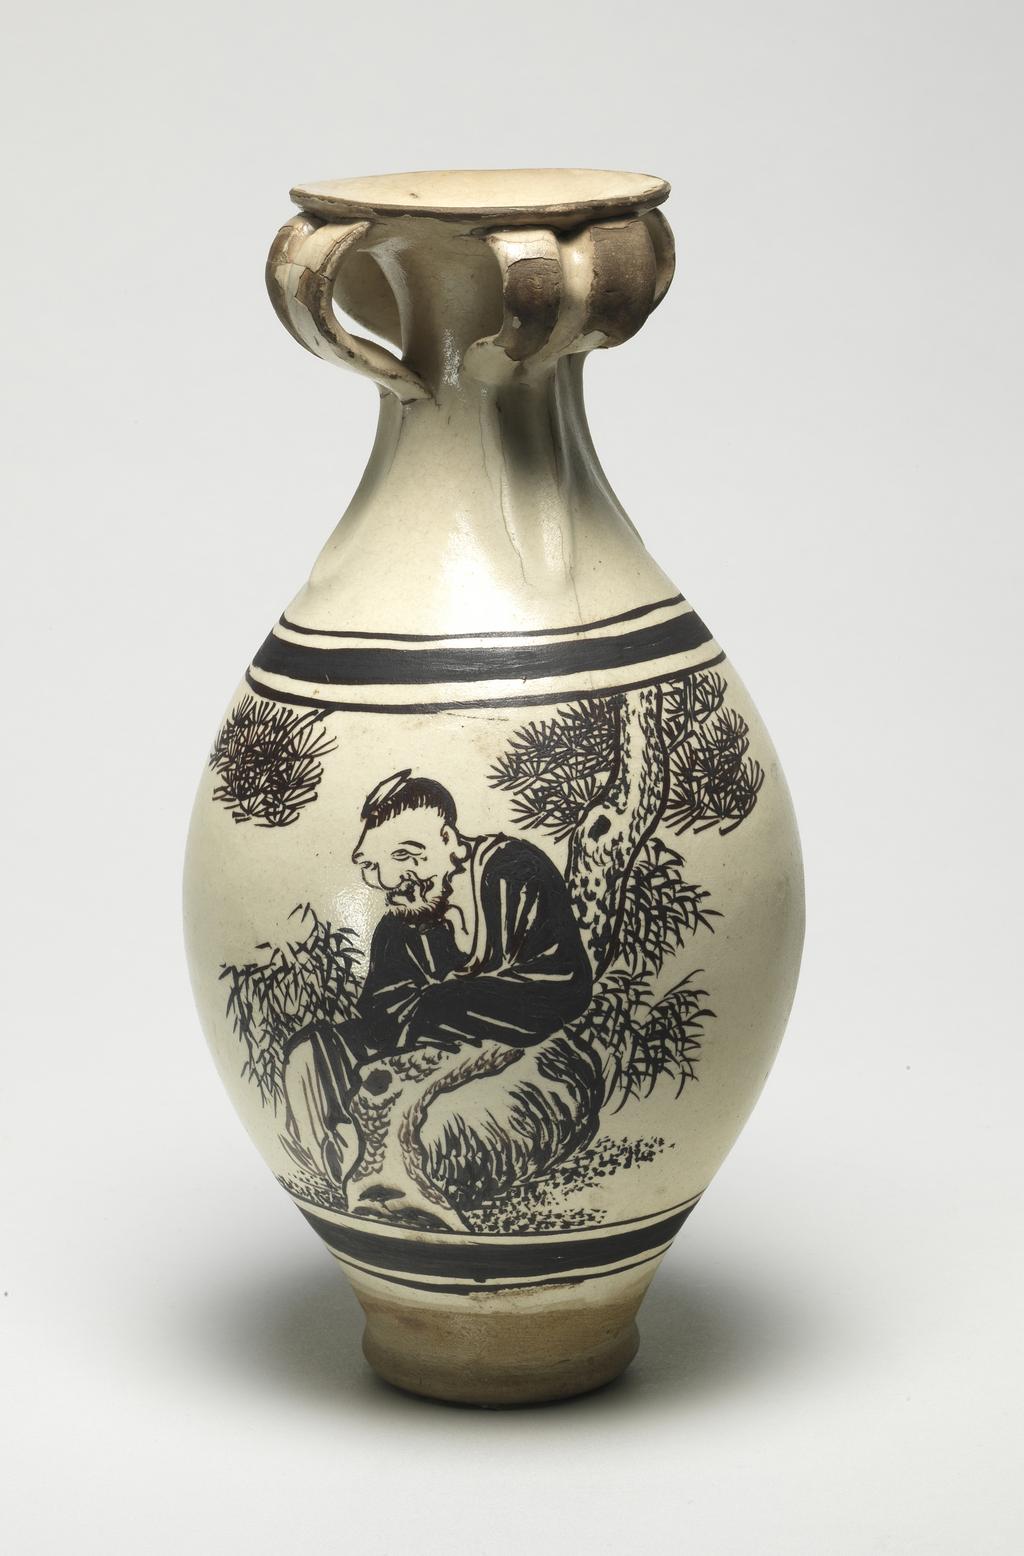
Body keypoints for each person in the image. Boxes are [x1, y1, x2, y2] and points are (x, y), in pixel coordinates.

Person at [283, 770, 594, 1183]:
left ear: (449, 840)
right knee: (310, 1054)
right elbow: (381, 1016)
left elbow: (562, 986)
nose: (389, 879)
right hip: (414, 1061)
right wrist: (429, 1027)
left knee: (447, 1120)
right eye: (372, 864)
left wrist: (441, 1005)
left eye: (406, 856)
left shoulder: (514, 872)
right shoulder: (401, 918)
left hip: (528, 1060)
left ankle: (384, 1165)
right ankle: (341, 1169)